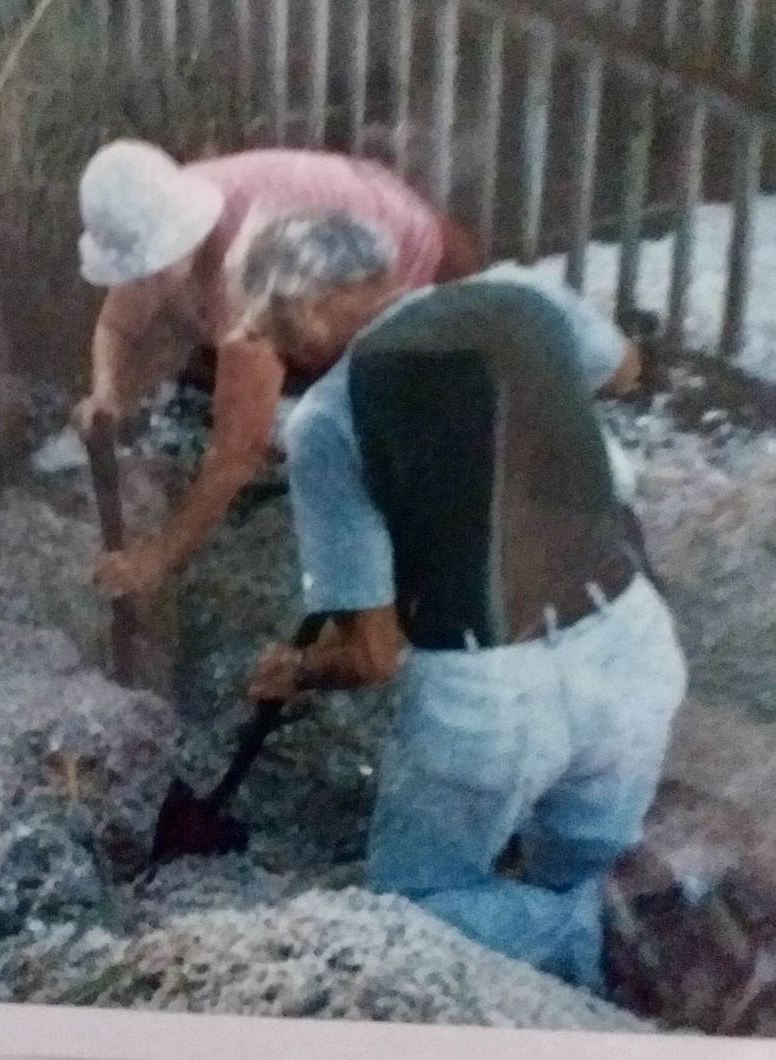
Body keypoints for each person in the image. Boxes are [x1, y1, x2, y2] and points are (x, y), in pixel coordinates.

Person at [238, 213, 686, 993]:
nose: (281, 356)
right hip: (632, 643)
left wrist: (298, 670)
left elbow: (373, 654)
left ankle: (592, 939)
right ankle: (636, 945)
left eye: (278, 333)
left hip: (496, 693)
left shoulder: (326, 421)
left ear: (310, 309)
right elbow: (624, 370)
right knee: (592, 868)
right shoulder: (521, 291)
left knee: (414, 907)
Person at [71, 139, 485, 599]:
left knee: (396, 447)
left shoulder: (247, 264)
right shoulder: (155, 211)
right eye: (135, 270)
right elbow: (117, 325)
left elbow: (237, 452)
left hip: (415, 254)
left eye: (153, 267)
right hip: (339, 235)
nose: (143, 282)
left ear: (181, 231)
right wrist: (104, 390)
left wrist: (158, 558)